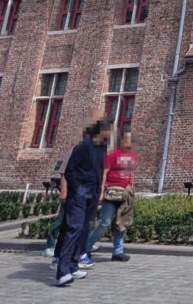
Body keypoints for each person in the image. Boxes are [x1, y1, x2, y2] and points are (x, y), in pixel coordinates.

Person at [55, 118, 109, 287]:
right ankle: (62, 270)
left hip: (92, 193)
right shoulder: (82, 147)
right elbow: (69, 170)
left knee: (84, 229)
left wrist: (99, 191)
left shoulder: (102, 149)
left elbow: (100, 171)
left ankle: (73, 264)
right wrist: (76, 188)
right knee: (74, 228)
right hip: (80, 192)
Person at [81, 129, 137, 264]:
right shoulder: (112, 155)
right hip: (112, 191)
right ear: (122, 141)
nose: (129, 142)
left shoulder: (132, 156)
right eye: (127, 139)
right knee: (105, 222)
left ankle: (118, 251)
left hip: (125, 193)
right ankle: (85, 248)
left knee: (121, 223)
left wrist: (132, 188)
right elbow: (104, 173)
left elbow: (131, 174)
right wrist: (101, 191)